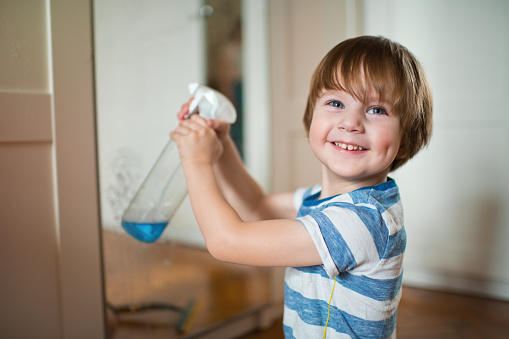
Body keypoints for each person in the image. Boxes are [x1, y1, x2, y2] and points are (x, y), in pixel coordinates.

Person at [170, 35, 433, 338]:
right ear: (311, 119)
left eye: (376, 110)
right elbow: (257, 207)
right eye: (336, 103)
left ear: (406, 137)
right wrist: (223, 142)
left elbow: (226, 241)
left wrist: (196, 162)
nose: (351, 122)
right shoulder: (323, 200)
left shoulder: (363, 220)